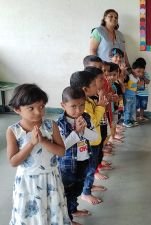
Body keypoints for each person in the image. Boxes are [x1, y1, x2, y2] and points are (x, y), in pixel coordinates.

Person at [6, 84, 71, 224]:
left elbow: (61, 151)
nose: (38, 112)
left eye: (41, 106)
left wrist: (43, 141)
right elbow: (13, 161)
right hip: (27, 182)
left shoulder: (50, 125)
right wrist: (32, 143)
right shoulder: (13, 131)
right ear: (18, 109)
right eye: (31, 108)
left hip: (50, 179)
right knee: (29, 215)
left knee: (52, 212)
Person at [57, 87, 99, 225]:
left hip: (84, 161)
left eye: (81, 105)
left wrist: (84, 130)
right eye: (73, 106)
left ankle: (73, 210)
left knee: (77, 189)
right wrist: (76, 132)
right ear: (63, 105)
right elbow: (62, 146)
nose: (78, 110)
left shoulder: (85, 117)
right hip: (67, 166)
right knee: (67, 193)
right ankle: (67, 219)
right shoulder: (60, 124)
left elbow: (94, 137)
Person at [70, 71, 106, 205]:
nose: (97, 87)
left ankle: (88, 187)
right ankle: (86, 192)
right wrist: (101, 106)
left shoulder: (89, 100)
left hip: (94, 141)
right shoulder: (83, 106)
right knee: (90, 169)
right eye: (94, 84)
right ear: (85, 89)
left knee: (92, 168)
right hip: (90, 144)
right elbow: (93, 122)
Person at [135, 57, 151, 122]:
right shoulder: (135, 74)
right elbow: (132, 83)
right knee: (135, 106)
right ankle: (135, 117)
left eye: (143, 66)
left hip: (144, 94)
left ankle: (141, 116)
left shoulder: (146, 73)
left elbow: (148, 82)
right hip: (136, 93)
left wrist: (143, 76)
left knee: (143, 106)